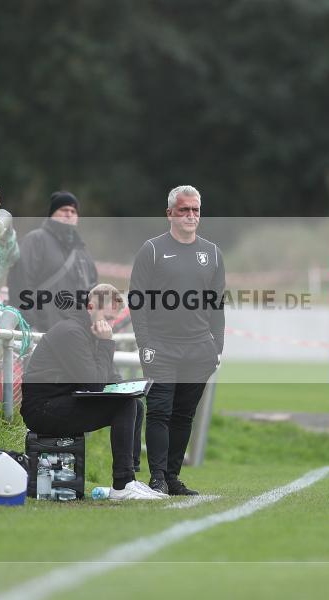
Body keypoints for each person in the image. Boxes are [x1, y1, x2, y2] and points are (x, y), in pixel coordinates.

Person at [21, 284, 166, 501]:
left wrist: (132, 388)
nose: (110, 324)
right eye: (107, 317)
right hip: (43, 409)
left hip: (62, 400)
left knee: (134, 402)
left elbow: (109, 378)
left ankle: (130, 478)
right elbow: (93, 384)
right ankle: (122, 484)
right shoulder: (72, 332)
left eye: (113, 320)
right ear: (90, 307)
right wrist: (107, 343)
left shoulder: (90, 331)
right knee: (124, 405)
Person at [129, 185, 225, 496]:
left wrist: (217, 346)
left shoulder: (212, 253)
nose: (190, 215)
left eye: (195, 210)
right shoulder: (152, 250)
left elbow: (216, 305)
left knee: (185, 414)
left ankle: (172, 476)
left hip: (199, 348)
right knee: (159, 410)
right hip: (161, 346)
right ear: (170, 213)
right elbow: (137, 299)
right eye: (184, 210)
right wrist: (144, 342)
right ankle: (156, 477)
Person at [8, 191, 98, 332]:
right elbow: (21, 283)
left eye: (73, 211)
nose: (69, 214)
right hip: (41, 331)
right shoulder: (35, 240)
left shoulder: (82, 251)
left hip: (74, 334)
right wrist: (29, 325)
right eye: (64, 210)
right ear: (52, 214)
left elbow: (93, 292)